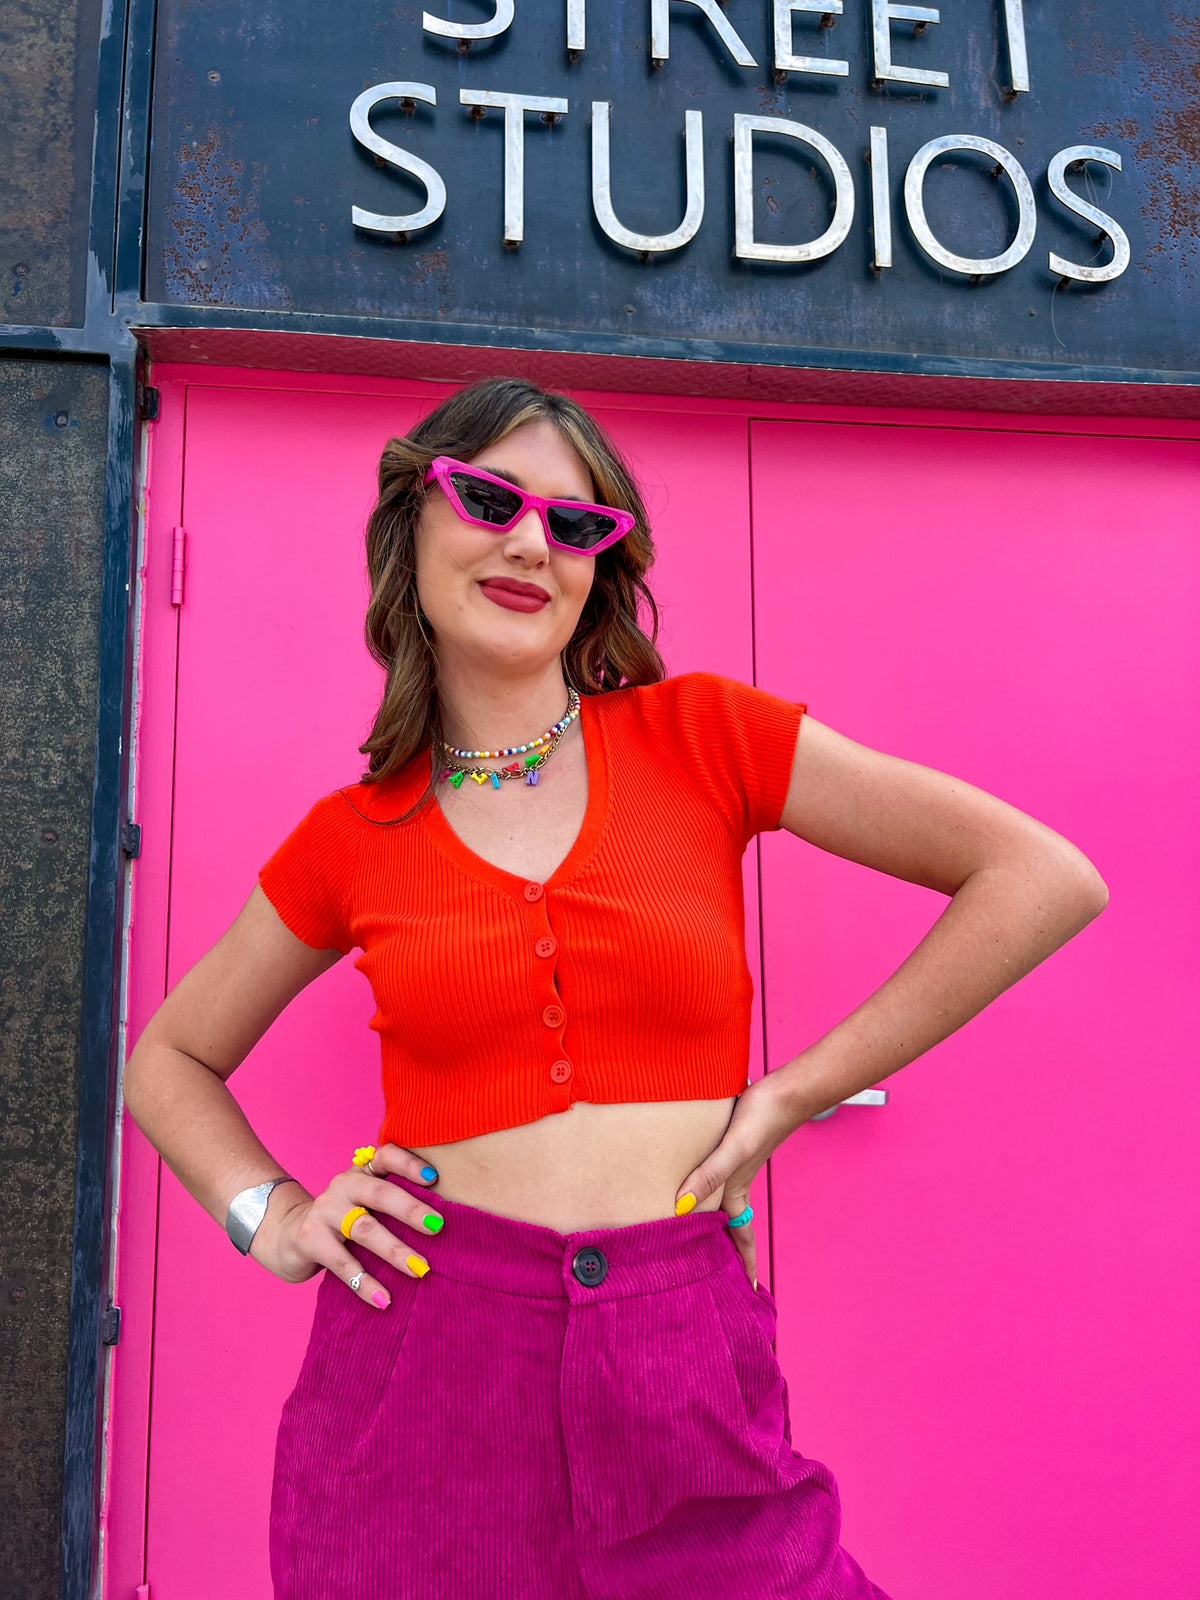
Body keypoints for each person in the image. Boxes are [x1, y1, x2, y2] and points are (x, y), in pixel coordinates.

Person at [122, 376, 1108, 1600]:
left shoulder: (708, 737)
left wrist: (793, 1093)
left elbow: (1040, 877)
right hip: (424, 1372)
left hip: (679, 1345)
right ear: (411, 521)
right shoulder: (351, 836)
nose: (531, 542)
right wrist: (270, 1217)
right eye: (489, 499)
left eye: (575, 522)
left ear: (601, 567)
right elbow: (168, 1060)